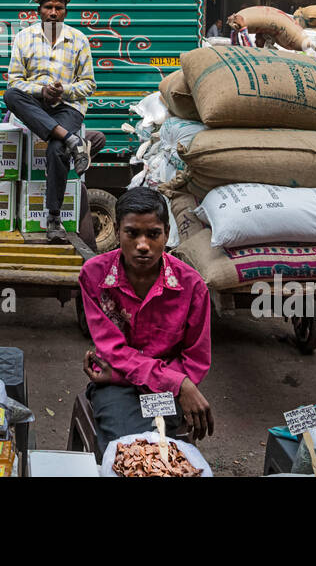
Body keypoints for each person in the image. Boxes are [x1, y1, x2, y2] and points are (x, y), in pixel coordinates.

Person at [79, 187, 213, 457]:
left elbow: (195, 359)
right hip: (119, 387)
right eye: (132, 233)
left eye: (153, 234)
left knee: (154, 445)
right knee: (125, 449)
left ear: (166, 233)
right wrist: (179, 383)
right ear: (117, 231)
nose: (143, 245)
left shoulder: (191, 286)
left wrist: (122, 375)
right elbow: (113, 350)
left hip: (129, 380)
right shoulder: (94, 275)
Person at [2, 0, 96, 239]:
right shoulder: (24, 38)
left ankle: (53, 218)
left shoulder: (79, 40)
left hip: (68, 107)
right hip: (37, 105)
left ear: (65, 11)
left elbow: (89, 84)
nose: (53, 12)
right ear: (39, 11)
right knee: (10, 95)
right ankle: (71, 139)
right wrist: (42, 91)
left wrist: (62, 90)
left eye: (59, 8)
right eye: (48, 7)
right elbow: (15, 81)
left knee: (56, 150)